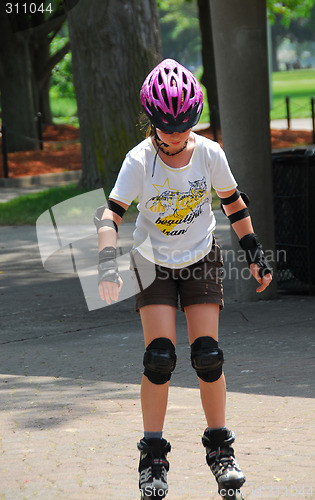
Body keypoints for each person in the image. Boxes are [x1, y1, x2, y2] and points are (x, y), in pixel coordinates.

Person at [95, 59, 272, 500]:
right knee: (159, 358)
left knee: (207, 356)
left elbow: (233, 204)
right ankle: (152, 458)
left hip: (201, 258)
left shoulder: (210, 153)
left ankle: (221, 452)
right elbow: (110, 214)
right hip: (151, 262)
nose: (175, 135)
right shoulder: (139, 159)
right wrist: (105, 263)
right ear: (151, 120)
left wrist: (255, 255)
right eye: (166, 127)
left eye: (184, 126)